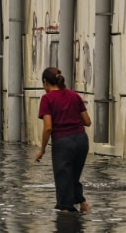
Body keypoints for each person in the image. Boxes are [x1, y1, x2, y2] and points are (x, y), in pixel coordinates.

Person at [35, 67, 93, 213]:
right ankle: (82, 204)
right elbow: (87, 121)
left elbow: (48, 127)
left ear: (45, 82)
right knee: (73, 176)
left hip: (62, 143)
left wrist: (42, 149)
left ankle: (65, 215)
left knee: (63, 179)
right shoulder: (74, 96)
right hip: (81, 141)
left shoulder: (47, 99)